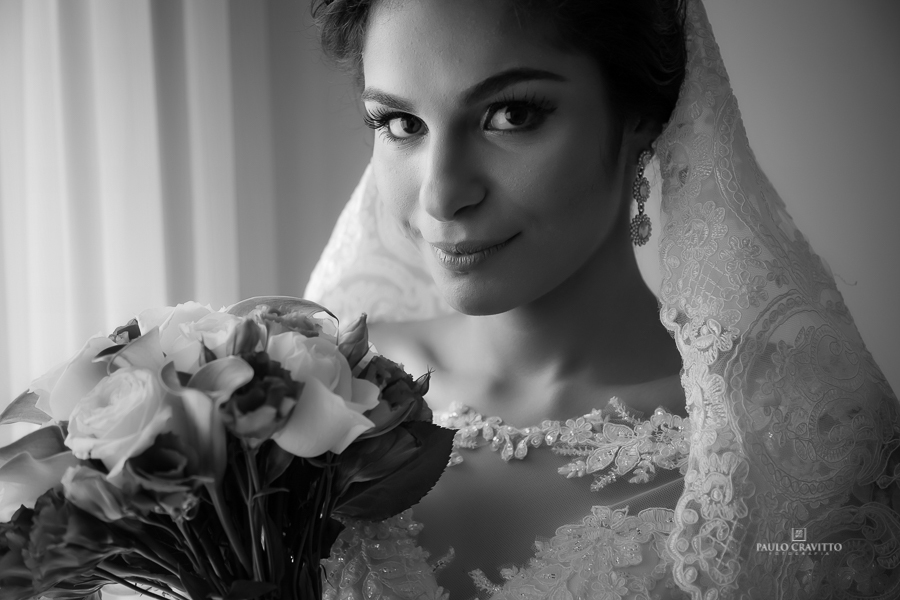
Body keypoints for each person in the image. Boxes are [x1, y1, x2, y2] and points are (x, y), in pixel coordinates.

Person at [304, 0, 900, 598]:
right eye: (400, 123)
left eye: (511, 114)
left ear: (639, 110)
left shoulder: (799, 444)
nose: (441, 195)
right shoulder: (318, 382)